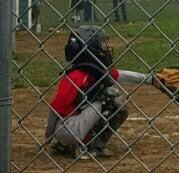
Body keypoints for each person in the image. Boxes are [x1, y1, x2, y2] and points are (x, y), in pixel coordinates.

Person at [45, 26, 153, 159]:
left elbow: (121, 75)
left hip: (70, 128)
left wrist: (151, 79)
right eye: (99, 44)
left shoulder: (94, 71)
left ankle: (69, 145)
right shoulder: (77, 76)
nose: (103, 48)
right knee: (112, 97)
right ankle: (91, 147)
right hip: (68, 129)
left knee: (106, 97)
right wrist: (49, 137)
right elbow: (56, 109)